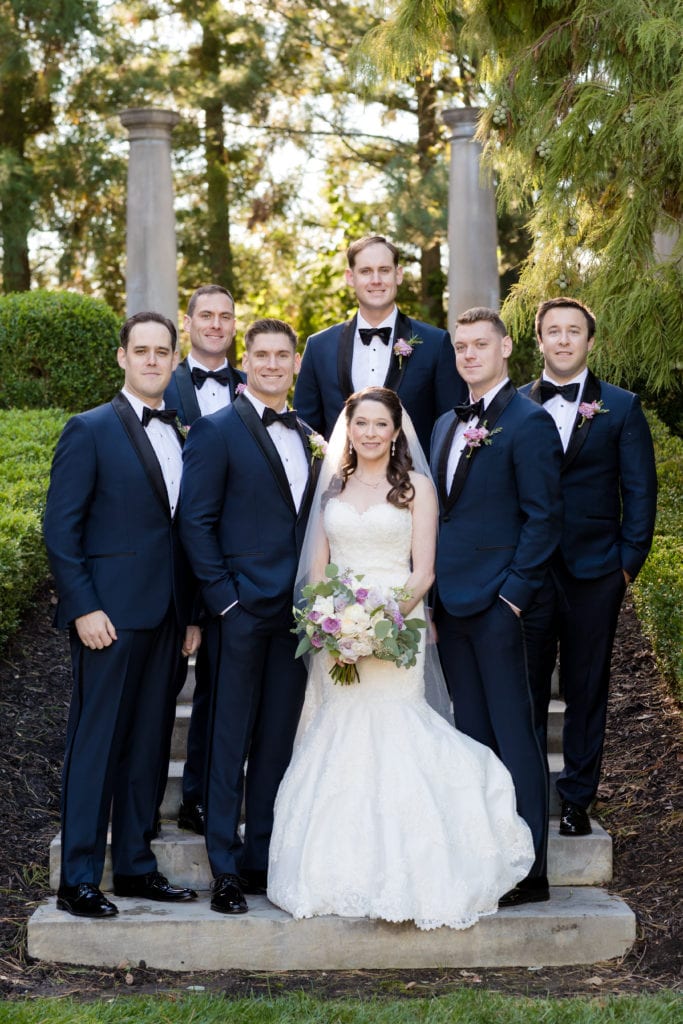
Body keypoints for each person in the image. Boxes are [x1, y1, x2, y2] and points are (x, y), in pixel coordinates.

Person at [267, 386, 535, 930]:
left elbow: (424, 571)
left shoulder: (417, 489)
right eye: (360, 423)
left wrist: (384, 623)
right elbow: (316, 570)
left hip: (398, 626)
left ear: (395, 431)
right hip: (337, 629)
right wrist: (333, 624)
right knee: (340, 731)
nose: (370, 433)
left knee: (395, 725)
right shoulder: (333, 489)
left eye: (380, 425)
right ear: (350, 429)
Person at [43, 311, 200, 919]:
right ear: (123, 358)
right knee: (97, 744)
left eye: (164, 351)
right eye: (143, 351)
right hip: (106, 617)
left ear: (173, 359)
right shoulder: (88, 430)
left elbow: (181, 531)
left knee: (149, 745)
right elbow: (61, 531)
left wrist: (190, 615)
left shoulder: (181, 433)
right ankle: (78, 877)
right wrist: (83, 606)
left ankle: (135, 866)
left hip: (166, 617)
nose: (154, 360)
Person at [178, 318, 320, 915]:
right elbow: (195, 521)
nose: (270, 364)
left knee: (275, 743)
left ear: (293, 364)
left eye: (281, 355)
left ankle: (261, 857)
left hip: (296, 617)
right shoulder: (215, 432)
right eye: (259, 355)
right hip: (238, 611)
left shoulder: (311, 434)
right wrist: (224, 601)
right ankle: (225, 868)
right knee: (228, 739)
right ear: (247, 360)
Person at [431, 308, 563, 907]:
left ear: (507, 348)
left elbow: (544, 518)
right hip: (451, 605)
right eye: (460, 346)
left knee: (516, 735)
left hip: (500, 605)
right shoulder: (441, 426)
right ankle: (490, 855)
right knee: (473, 737)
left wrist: (513, 595)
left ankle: (531, 870)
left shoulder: (530, 422)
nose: (469, 355)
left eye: (480, 344)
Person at [520, 297, 657, 837]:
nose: (562, 340)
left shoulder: (621, 407)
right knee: (527, 686)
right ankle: (527, 791)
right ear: (539, 341)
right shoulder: (514, 405)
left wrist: (627, 564)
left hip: (597, 570)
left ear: (589, 342)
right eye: (552, 331)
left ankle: (577, 798)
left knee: (586, 685)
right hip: (531, 572)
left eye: (573, 331)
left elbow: (640, 490)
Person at [163, 284, 246, 836]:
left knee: (219, 692)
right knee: (160, 695)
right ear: (187, 322)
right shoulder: (160, 386)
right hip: (168, 567)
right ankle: (142, 806)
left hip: (231, 569)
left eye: (225, 316)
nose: (216, 324)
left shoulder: (252, 388)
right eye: (206, 316)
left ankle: (201, 798)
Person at [293, 235, 466, 455]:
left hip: (414, 482)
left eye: (384, 270)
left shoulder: (435, 343)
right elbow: (306, 428)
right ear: (350, 277)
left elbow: (451, 426)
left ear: (398, 274)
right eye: (366, 271)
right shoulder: (319, 347)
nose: (376, 280)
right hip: (340, 485)